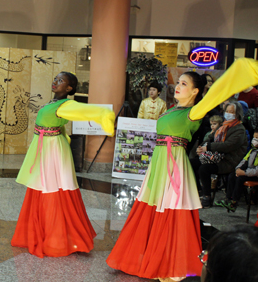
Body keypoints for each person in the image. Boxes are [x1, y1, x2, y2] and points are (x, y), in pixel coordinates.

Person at [106, 58, 258, 281]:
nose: (178, 86)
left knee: (170, 209)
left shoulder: (194, 113)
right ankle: (147, 255)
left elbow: (215, 94)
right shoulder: (169, 110)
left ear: (196, 91)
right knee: (152, 207)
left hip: (173, 165)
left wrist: (240, 73)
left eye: (184, 84)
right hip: (159, 163)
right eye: (178, 82)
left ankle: (168, 261)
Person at [11, 72, 115, 258]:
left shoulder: (66, 104)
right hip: (47, 146)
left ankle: (56, 238)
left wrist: (103, 115)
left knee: (51, 188)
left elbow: (84, 111)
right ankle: (43, 231)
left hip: (52, 150)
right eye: (55, 79)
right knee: (44, 186)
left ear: (69, 89)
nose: (55, 82)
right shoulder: (54, 103)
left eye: (61, 81)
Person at [192, 101, 247, 208]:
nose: (228, 113)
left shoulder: (239, 129)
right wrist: (201, 147)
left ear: (238, 114)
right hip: (215, 157)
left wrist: (208, 148)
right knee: (191, 163)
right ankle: (197, 190)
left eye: (232, 112)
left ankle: (207, 197)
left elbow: (228, 146)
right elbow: (210, 138)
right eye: (227, 111)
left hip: (228, 161)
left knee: (204, 169)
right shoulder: (223, 126)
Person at [215, 130, 258, 212]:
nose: (254, 140)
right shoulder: (252, 150)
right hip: (248, 172)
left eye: (257, 138)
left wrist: (244, 173)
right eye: (254, 137)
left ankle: (234, 202)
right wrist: (237, 169)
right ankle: (228, 199)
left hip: (255, 175)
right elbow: (244, 161)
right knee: (232, 175)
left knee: (240, 179)